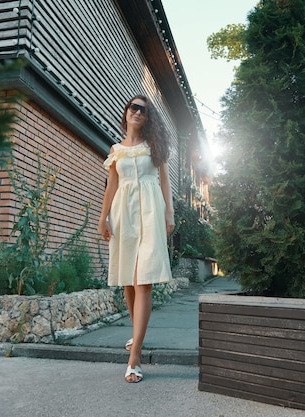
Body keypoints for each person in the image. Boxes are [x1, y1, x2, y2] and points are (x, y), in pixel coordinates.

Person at [98, 95, 175, 383]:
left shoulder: (154, 146)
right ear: (126, 112)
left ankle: (135, 355)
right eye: (134, 107)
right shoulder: (115, 150)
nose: (138, 112)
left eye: (144, 109)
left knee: (144, 280)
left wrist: (170, 213)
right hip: (122, 213)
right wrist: (102, 217)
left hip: (150, 211)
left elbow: (164, 180)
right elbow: (111, 186)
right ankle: (136, 336)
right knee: (128, 280)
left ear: (148, 117)